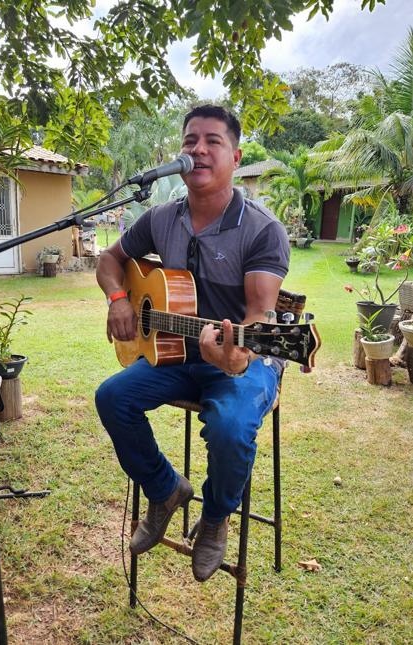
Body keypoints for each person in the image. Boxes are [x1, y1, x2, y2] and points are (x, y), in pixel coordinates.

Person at [94, 104, 289, 582]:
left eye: (212, 142)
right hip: (177, 352)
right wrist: (120, 298)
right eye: (189, 141)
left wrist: (233, 357)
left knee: (229, 424)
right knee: (112, 397)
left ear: (235, 156)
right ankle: (165, 490)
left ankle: (217, 516)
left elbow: (259, 318)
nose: (198, 150)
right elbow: (108, 259)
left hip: (245, 355)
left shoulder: (263, 229)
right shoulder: (161, 218)